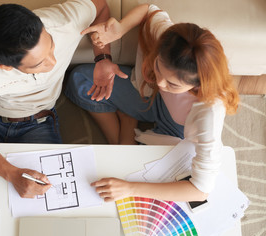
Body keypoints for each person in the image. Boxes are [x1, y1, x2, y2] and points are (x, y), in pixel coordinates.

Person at [0, 0, 127, 199]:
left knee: (50, 195)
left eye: (51, 45)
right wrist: (11, 173)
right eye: (40, 63)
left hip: (38, 121)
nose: (54, 62)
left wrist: (103, 58)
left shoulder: (64, 22)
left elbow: (100, 6)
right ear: (6, 67)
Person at [65, 4, 239, 201]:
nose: (160, 82)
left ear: (198, 84)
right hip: (149, 97)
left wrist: (130, 189)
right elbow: (149, 10)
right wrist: (121, 28)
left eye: (173, 84)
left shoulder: (209, 112)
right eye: (158, 67)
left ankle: (127, 127)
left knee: (145, 174)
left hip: (177, 130)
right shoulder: (171, 41)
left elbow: (200, 190)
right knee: (80, 80)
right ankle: (122, 140)